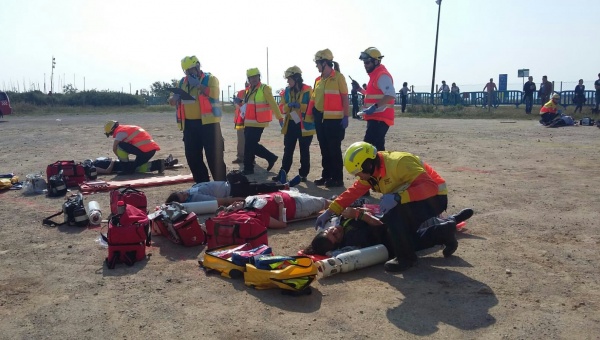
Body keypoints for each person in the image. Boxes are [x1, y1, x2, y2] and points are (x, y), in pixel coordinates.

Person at [315, 141, 457, 272]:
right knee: (401, 234)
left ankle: (407, 258)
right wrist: (330, 211)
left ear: (368, 165)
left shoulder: (399, 163)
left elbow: (430, 187)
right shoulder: (372, 173)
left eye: (359, 173)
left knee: (395, 219)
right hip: (414, 199)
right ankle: (445, 232)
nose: (360, 177)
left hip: (434, 199)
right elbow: (353, 192)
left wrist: (398, 197)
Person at [305, 206, 473, 258]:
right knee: (424, 235)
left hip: (392, 221)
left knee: (426, 222)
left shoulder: (341, 223)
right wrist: (361, 215)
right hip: (392, 235)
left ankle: (452, 221)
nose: (334, 230)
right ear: (338, 243)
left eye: (329, 231)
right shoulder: (353, 237)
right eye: (334, 235)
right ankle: (452, 223)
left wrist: (358, 210)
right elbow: (379, 227)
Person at [168, 55, 226, 183]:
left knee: (214, 157)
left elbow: (215, 94)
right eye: (186, 71)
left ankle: (221, 185)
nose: (189, 73)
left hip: (209, 124)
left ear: (198, 66)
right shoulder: (181, 82)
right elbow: (172, 100)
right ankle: (202, 184)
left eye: (191, 69)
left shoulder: (210, 79)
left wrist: (199, 86)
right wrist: (173, 99)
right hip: (189, 125)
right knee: (192, 157)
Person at [306, 49, 349, 188]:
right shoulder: (318, 80)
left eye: (318, 63)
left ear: (325, 62)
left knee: (334, 150)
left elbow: (344, 97)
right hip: (320, 118)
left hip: (334, 120)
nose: (316, 66)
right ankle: (326, 176)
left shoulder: (338, 77)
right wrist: (309, 116)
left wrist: (346, 116)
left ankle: (337, 178)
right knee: (324, 149)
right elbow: (313, 99)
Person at [165, 170, 298, 205]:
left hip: (230, 185)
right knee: (258, 187)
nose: (184, 193)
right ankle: (284, 186)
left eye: (181, 193)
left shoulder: (190, 191)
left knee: (255, 184)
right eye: (182, 196)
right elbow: (219, 201)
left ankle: (280, 184)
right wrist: (238, 199)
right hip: (232, 190)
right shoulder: (195, 198)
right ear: (184, 202)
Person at [241, 68, 284, 175]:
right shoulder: (249, 90)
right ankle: (265, 160)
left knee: (249, 145)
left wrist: (280, 117)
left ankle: (249, 167)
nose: (254, 79)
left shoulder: (264, 88)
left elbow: (273, 103)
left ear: (259, 77)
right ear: (248, 79)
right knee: (250, 145)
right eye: (251, 77)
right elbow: (248, 105)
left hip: (259, 122)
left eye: (255, 76)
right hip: (248, 122)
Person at [352, 47, 395, 152]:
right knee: (378, 150)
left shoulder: (382, 75)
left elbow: (390, 94)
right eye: (364, 63)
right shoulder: (375, 75)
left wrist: (374, 107)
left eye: (367, 63)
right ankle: (382, 168)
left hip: (380, 118)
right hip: (376, 117)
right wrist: (359, 89)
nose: (365, 66)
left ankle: (374, 168)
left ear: (376, 61)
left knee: (368, 148)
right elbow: (372, 95)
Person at [276, 66, 314, 183]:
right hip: (291, 124)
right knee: (288, 150)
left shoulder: (308, 90)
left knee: (304, 150)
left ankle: (303, 174)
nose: (288, 81)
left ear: (296, 78)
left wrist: (300, 106)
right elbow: (281, 107)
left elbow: (313, 106)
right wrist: (289, 105)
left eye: (289, 79)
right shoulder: (286, 91)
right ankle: (283, 172)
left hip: (305, 125)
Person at [221, 190, 331, 229]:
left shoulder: (249, 201)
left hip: (292, 195)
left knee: (323, 201)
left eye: (233, 203)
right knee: (325, 202)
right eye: (234, 206)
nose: (235, 203)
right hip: (297, 206)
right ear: (238, 212)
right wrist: (281, 204)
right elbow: (282, 223)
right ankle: (344, 204)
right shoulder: (254, 213)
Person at [91, 155, 177, 174]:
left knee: (142, 163)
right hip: (120, 166)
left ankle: (165, 163)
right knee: (144, 167)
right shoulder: (93, 167)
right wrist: (113, 162)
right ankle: (162, 164)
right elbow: (107, 171)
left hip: (121, 161)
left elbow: (107, 159)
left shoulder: (95, 161)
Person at [232, 82, 249, 164]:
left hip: (249, 119)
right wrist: (236, 102)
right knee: (241, 139)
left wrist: (241, 102)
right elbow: (237, 105)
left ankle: (250, 158)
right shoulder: (241, 92)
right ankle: (240, 156)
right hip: (240, 119)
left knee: (249, 140)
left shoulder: (254, 93)